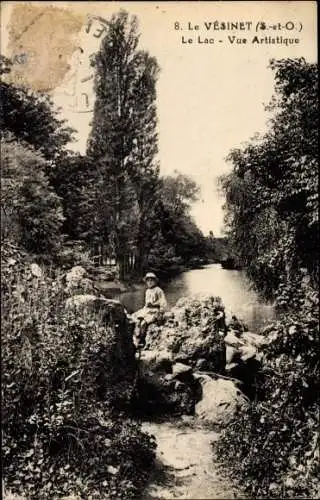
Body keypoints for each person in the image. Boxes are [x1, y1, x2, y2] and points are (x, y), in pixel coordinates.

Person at [132, 272, 167, 348]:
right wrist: (144, 309)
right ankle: (136, 338)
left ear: (155, 281)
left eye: (151, 280)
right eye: (148, 280)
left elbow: (163, 303)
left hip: (154, 311)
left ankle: (142, 340)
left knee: (143, 323)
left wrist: (159, 310)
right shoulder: (147, 291)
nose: (150, 282)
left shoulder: (158, 290)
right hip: (147, 310)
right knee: (137, 321)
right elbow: (146, 304)